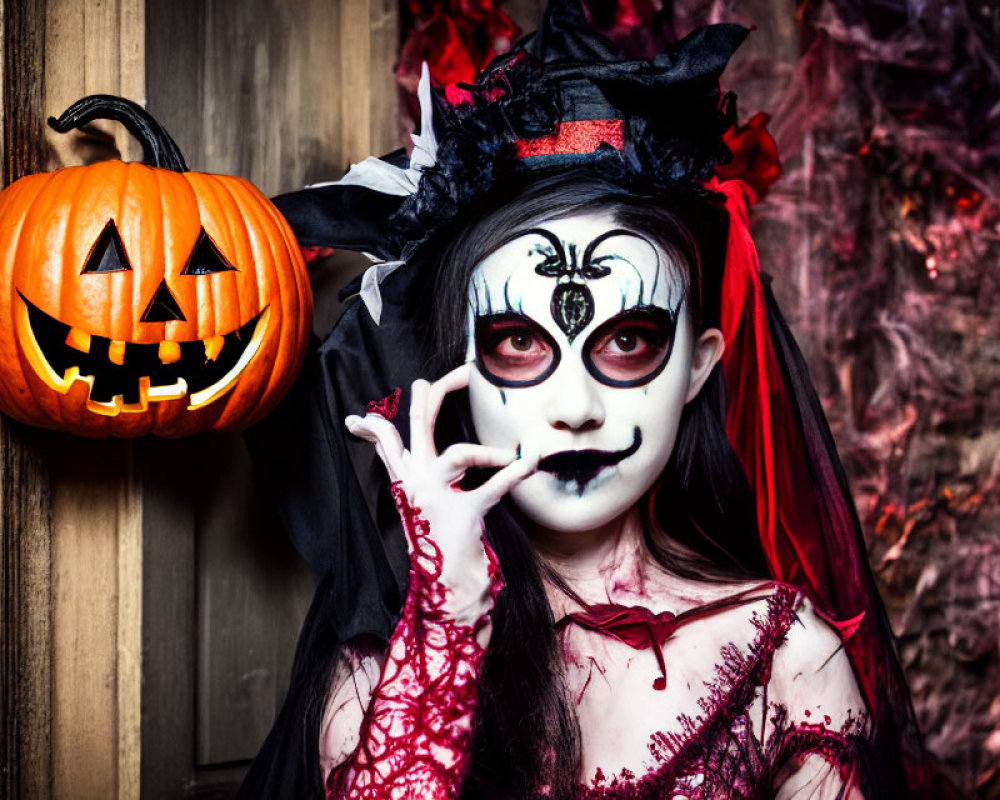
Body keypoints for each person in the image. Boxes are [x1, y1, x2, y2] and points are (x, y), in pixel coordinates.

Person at [240, 2, 939, 797]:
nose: (575, 406)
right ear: (455, 365)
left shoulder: (790, 662)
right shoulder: (379, 668)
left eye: (629, 340)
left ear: (699, 367)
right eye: (519, 341)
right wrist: (447, 624)